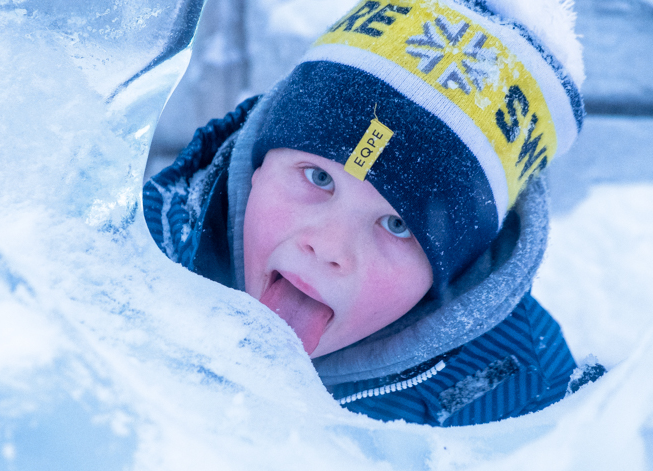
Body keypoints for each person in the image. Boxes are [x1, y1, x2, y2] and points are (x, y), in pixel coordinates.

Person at [143, 0, 605, 426]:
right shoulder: (135, 243)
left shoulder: (521, 385)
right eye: (318, 177)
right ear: (258, 164)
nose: (327, 246)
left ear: (453, 270)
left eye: (398, 224)